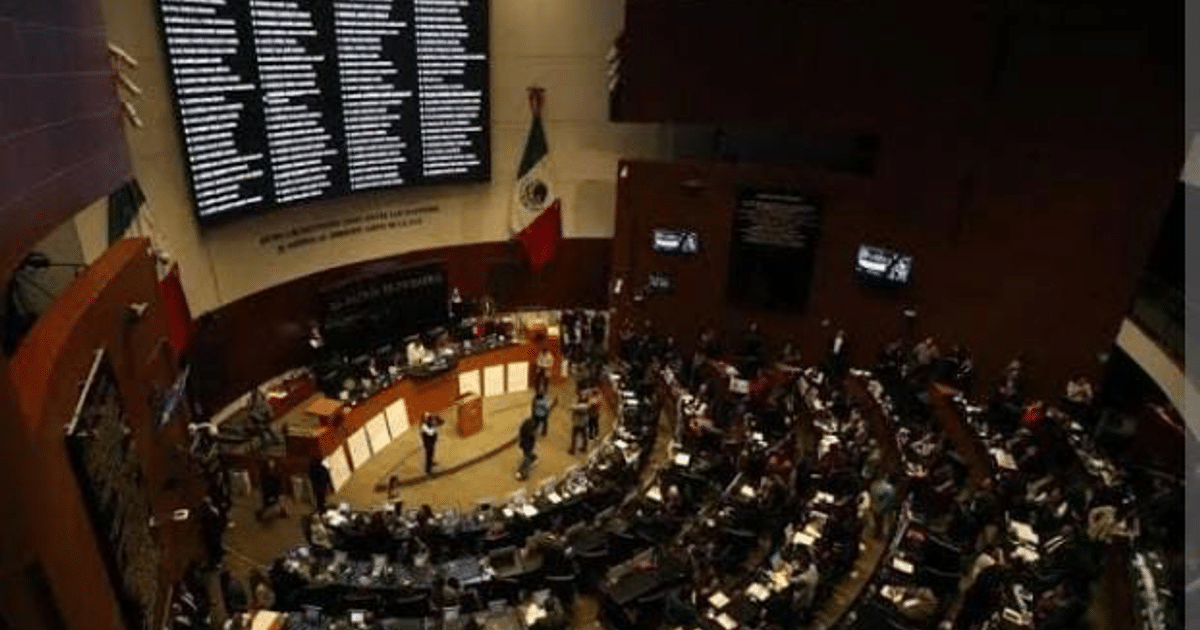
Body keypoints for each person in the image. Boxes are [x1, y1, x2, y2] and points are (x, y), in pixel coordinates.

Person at [517, 415, 539, 480]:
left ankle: (531, 457)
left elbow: (521, 432)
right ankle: (525, 474)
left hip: (525, 443)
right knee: (527, 458)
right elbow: (533, 437)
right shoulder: (532, 426)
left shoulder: (527, 422)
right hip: (528, 445)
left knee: (526, 456)